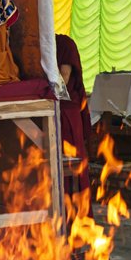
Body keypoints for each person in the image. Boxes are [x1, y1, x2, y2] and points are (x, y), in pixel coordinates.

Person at [56, 34, 91, 193]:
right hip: (50, 110)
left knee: (70, 167)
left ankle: (76, 213)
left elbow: (63, 77)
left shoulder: (64, 44)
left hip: (66, 111)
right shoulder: (30, 47)